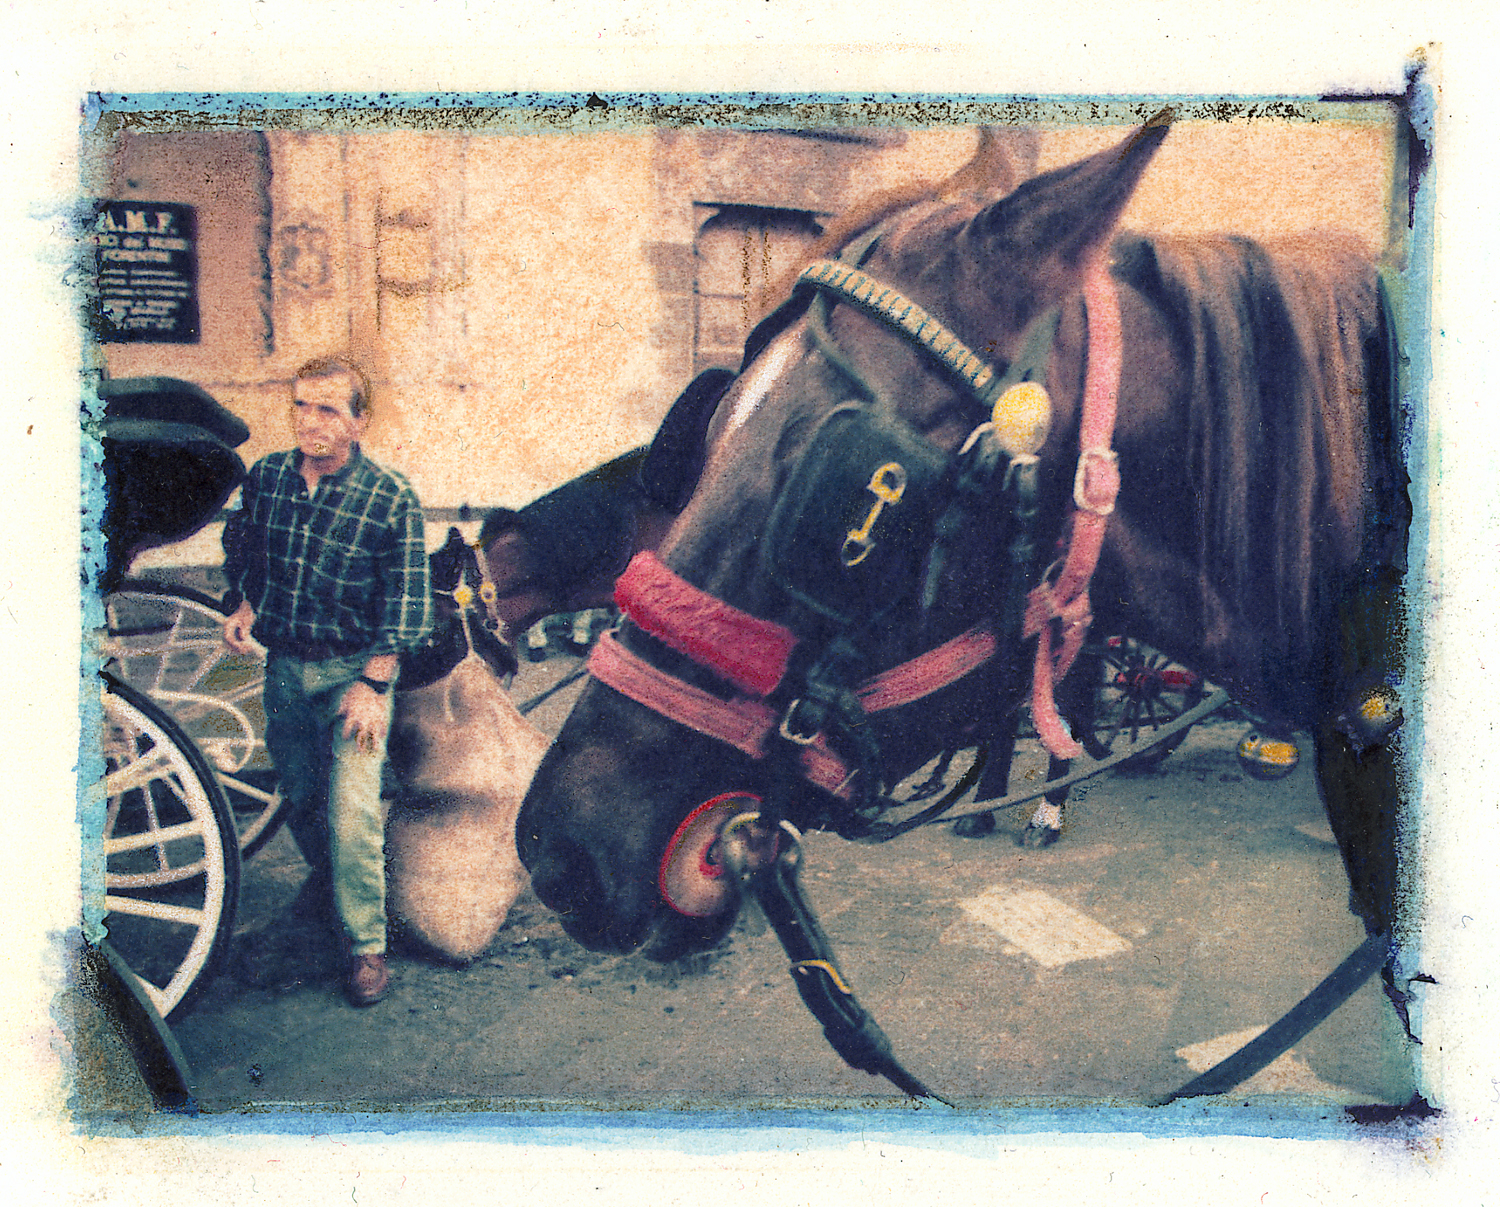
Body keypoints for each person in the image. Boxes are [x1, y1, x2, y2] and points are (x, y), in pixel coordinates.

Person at [222, 356, 431, 1006]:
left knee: (354, 813)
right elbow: (246, 542)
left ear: (359, 419)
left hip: (356, 676)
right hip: (286, 670)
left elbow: (408, 601)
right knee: (304, 800)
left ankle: (367, 947)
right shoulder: (270, 479)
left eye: (329, 409)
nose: (310, 422)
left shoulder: (390, 497)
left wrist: (373, 683)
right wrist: (246, 599)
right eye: (301, 407)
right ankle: (337, 896)